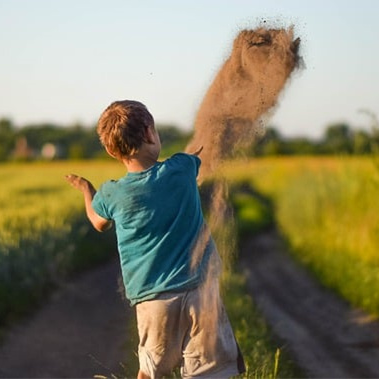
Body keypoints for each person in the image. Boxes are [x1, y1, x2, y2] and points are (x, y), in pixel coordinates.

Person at [65, 100, 245, 379]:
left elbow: (98, 222)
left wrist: (88, 190)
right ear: (149, 133)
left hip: (153, 300)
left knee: (150, 370)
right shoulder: (181, 168)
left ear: (112, 151)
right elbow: (199, 153)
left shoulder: (111, 194)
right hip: (201, 290)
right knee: (210, 371)